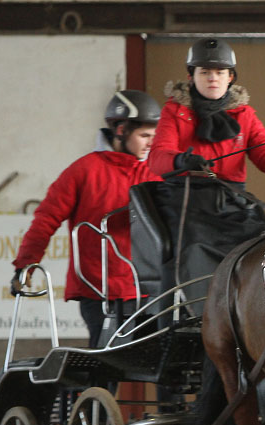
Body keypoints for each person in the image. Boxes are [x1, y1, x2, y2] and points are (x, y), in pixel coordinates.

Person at [148, 37, 265, 314]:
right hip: (187, 201)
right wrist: (181, 160)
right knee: (195, 247)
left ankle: (264, 309)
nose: (213, 78)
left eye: (220, 72)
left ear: (231, 77)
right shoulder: (174, 112)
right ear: (191, 76)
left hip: (233, 202)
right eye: (205, 72)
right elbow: (157, 157)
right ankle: (198, 313)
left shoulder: (244, 115)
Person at [12, 89, 162, 348]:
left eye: (154, 136)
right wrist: (25, 265)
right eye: (144, 136)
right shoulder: (83, 171)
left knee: (167, 366)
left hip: (147, 289)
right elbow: (46, 218)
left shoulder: (154, 174)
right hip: (99, 291)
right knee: (105, 367)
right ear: (121, 130)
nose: (151, 143)